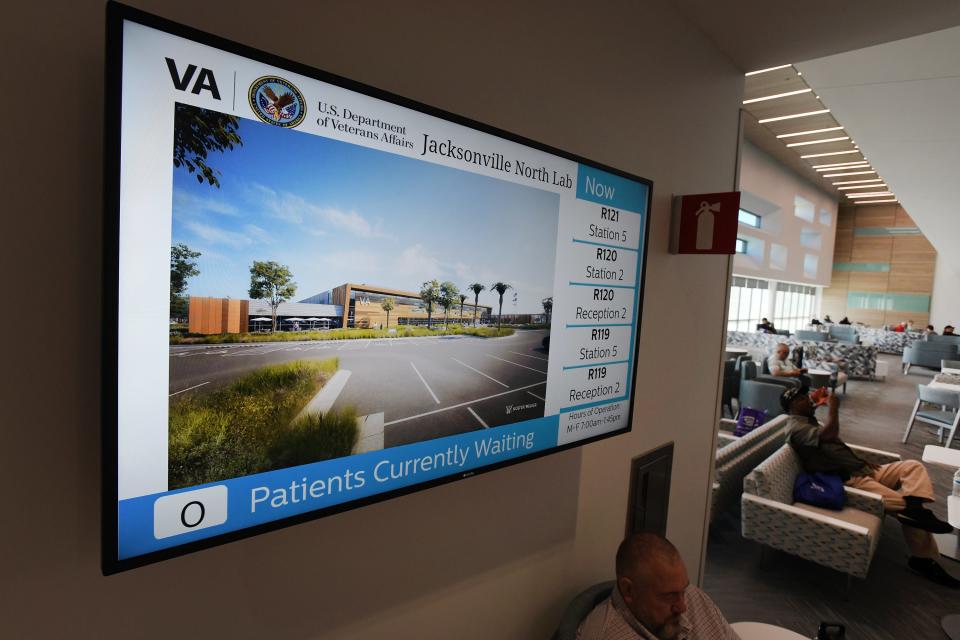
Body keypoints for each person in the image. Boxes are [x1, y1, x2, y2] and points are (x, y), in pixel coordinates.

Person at [780, 386, 959, 588]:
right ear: (793, 405)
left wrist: (861, 461)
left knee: (913, 467)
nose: (808, 399)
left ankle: (915, 509)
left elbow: (835, 448)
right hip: (851, 480)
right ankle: (923, 559)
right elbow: (830, 435)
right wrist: (833, 407)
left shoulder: (807, 421)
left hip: (863, 469)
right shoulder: (795, 427)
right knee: (903, 506)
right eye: (803, 398)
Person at [578, 532, 739, 640]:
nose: (682, 607)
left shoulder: (693, 597)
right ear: (629, 590)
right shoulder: (606, 634)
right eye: (669, 596)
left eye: (683, 590)